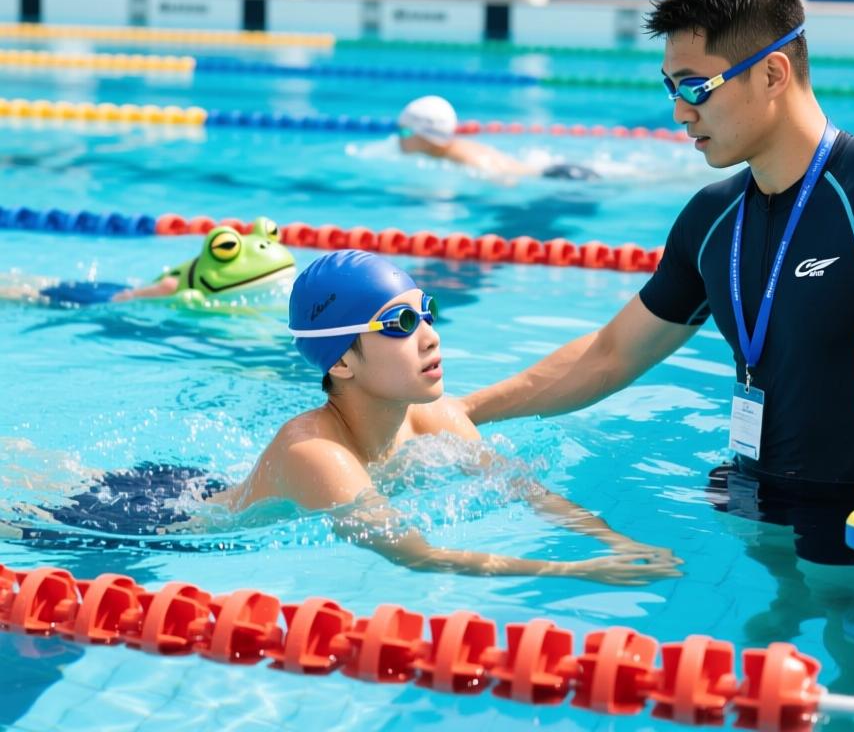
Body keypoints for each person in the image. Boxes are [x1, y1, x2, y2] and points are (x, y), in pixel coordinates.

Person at [462, 0, 854, 539]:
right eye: (671, 86)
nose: (679, 111)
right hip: (746, 500)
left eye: (696, 86)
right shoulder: (712, 220)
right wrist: (465, 411)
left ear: (772, 74)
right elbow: (609, 355)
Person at [207, 249, 680, 584]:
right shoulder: (315, 453)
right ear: (342, 361)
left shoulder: (432, 416)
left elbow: (526, 491)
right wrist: (576, 571)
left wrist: (614, 542)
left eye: (426, 313)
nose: (431, 336)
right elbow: (418, 555)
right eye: (401, 324)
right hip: (182, 525)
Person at [1, 217, 296, 307]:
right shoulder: (171, 287)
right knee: (35, 295)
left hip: (119, 290)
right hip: (106, 298)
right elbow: (132, 297)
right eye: (226, 247)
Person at [395, 95, 599, 181]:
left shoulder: (464, 158)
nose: (399, 138)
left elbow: (506, 182)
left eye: (405, 132)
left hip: (562, 177)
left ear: (427, 137)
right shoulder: (450, 149)